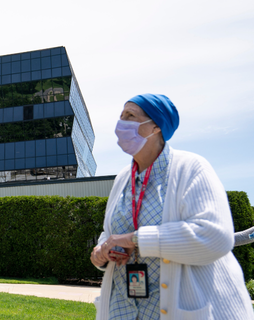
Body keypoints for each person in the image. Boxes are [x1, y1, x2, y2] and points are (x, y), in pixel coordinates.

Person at [90, 94, 253, 319]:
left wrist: (134, 239)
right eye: (121, 116)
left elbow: (215, 236)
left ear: (156, 126)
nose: (121, 123)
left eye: (131, 116)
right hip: (124, 309)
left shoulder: (191, 168)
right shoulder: (123, 179)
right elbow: (110, 235)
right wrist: (101, 252)